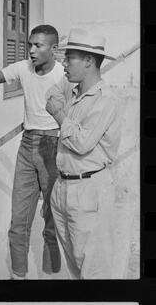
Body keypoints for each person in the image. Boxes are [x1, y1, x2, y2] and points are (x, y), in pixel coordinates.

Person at [0, 24, 72, 279]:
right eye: (30, 44)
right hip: (27, 145)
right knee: (18, 220)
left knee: (52, 219)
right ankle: (18, 276)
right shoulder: (23, 68)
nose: (31, 50)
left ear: (53, 49)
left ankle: (51, 274)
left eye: (38, 45)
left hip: (53, 147)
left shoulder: (63, 76)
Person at [46, 27, 121, 279]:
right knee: (75, 270)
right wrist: (60, 107)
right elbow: (51, 94)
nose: (64, 64)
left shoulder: (105, 99)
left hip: (89, 189)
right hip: (63, 187)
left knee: (94, 271)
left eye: (70, 58)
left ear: (89, 61)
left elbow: (81, 142)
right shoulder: (74, 92)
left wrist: (58, 114)